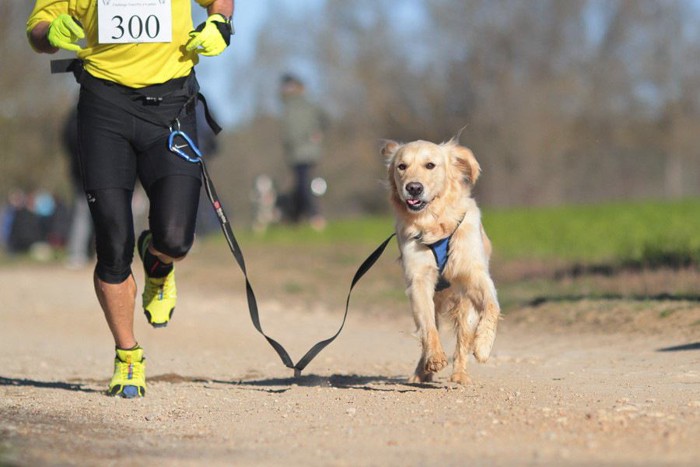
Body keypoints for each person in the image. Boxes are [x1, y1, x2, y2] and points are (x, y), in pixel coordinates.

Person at [27, 0, 234, 398]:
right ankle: (128, 353)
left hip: (173, 104)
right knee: (112, 239)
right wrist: (49, 34)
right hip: (104, 104)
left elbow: (220, 2)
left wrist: (220, 22)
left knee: (176, 238)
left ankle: (157, 259)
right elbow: (37, 28)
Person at [279, 73, 327, 231]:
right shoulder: (287, 107)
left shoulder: (306, 105)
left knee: (304, 184)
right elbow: (288, 134)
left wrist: (317, 132)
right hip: (295, 152)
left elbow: (324, 119)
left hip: (306, 151)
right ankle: (296, 217)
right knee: (300, 184)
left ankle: (314, 216)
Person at [62, 106, 93, 269]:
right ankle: (77, 253)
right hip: (83, 174)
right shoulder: (77, 115)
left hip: (84, 172)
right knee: (82, 213)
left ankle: (116, 255)